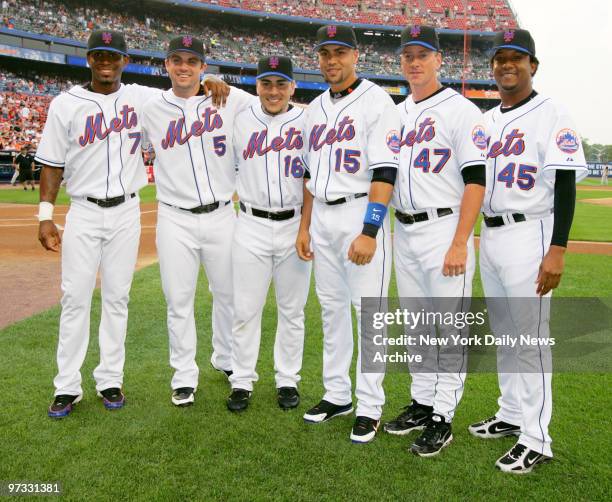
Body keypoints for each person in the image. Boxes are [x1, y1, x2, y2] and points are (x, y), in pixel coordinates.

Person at [36, 30, 228, 419]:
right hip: (84, 211)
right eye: (99, 55)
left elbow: (185, 88)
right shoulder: (65, 103)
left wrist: (213, 80)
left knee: (117, 298)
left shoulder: (142, 98)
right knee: (74, 298)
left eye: (114, 55)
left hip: (126, 210)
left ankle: (110, 378)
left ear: (125, 60)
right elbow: (52, 162)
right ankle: (67, 385)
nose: (107, 61)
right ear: (89, 58)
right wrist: (45, 215)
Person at [468, 29, 587, 473]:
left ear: (532, 65)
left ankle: (537, 438)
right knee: (505, 335)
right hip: (493, 235)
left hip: (531, 232)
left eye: (516, 58)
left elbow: (567, 183)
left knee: (531, 341)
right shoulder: (488, 119)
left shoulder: (552, 111)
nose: (506, 66)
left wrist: (557, 248)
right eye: (499, 59)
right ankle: (511, 413)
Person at [383, 25, 486, 457]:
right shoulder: (397, 111)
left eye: (422, 54)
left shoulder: (462, 111)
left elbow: (476, 181)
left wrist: (461, 241)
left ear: (439, 60)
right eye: (408, 55)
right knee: (417, 326)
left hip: (444, 228)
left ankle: (443, 416)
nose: (414, 62)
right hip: (403, 229)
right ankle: (422, 402)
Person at [297, 25, 401, 443]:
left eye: (340, 52)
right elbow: (307, 173)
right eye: (325, 53)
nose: (332, 60)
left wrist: (370, 230)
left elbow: (385, 170)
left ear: (355, 55)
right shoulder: (314, 109)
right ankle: (337, 393)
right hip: (322, 215)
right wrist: (304, 226)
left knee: (369, 313)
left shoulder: (377, 101)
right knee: (332, 309)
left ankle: (370, 405)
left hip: (359, 211)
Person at [140, 35, 255, 407]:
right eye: (177, 60)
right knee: (178, 300)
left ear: (203, 67)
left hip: (223, 214)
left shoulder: (230, 98)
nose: (184, 66)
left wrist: (221, 82)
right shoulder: (149, 105)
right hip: (174, 218)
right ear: (167, 65)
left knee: (230, 296)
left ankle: (229, 361)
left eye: (192, 61)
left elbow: (276, 105)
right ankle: (183, 376)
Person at [226, 56, 311, 412]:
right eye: (266, 83)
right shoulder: (240, 119)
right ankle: (241, 380)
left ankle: (287, 379)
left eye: (280, 84)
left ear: (292, 87)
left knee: (293, 310)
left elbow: (311, 178)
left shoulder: (308, 121)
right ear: (256, 86)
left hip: (294, 223)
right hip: (251, 222)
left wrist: (307, 226)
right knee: (245, 308)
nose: (273, 91)